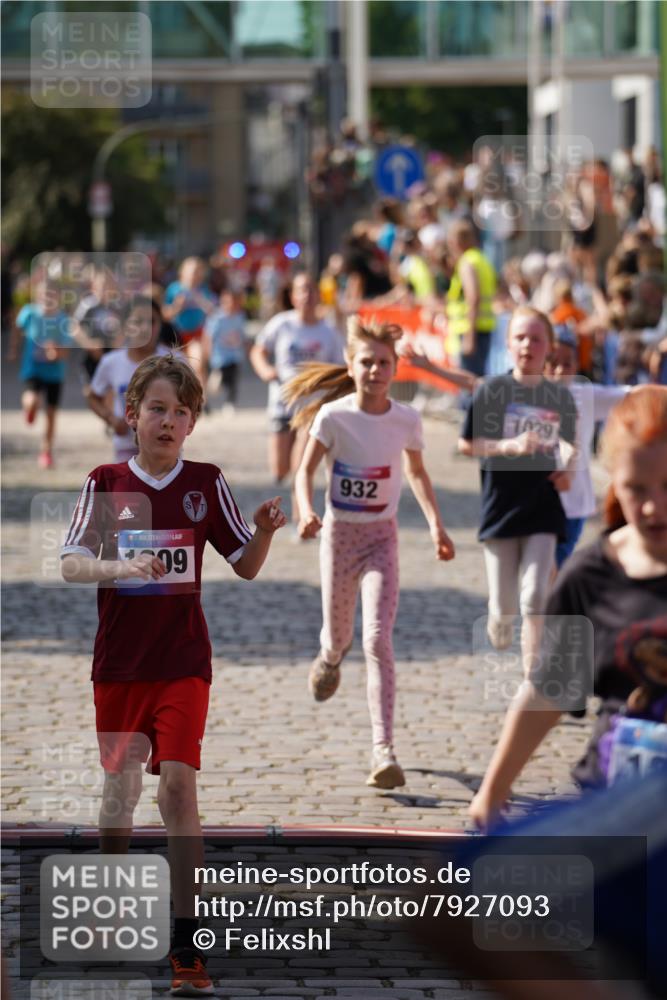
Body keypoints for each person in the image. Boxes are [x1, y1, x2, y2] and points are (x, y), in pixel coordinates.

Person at [60, 354, 287, 993]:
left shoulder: (206, 482)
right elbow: (71, 563)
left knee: (179, 792)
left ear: (192, 423)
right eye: (156, 408)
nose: (168, 421)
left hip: (184, 662)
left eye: (180, 412)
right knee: (120, 796)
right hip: (121, 667)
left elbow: (244, 563)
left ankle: (187, 949)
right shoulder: (105, 482)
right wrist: (120, 570)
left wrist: (265, 531)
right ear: (132, 415)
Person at [469, 386, 667, 830]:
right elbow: (547, 692)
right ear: (613, 480)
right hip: (618, 819)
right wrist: (492, 792)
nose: (655, 507)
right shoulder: (591, 576)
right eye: (637, 488)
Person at [286, 318, 456, 788]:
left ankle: (383, 750)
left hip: (382, 538)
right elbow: (304, 472)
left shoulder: (406, 419)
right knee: (340, 637)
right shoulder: (334, 417)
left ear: (395, 367)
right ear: (351, 365)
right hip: (340, 537)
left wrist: (437, 525)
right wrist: (304, 511)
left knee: (378, 639)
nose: (376, 370)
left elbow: (417, 473)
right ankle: (329, 655)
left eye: (384, 363)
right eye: (367, 362)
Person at [458, 307, 578, 674]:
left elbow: (570, 443)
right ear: (509, 344)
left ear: (549, 347)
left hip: (543, 503)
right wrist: (506, 447)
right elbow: (467, 443)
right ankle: (499, 620)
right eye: (521, 337)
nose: (528, 345)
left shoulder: (559, 397)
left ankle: (533, 678)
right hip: (501, 505)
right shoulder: (494, 389)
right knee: (504, 606)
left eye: (537, 338)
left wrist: (569, 466)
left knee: (536, 595)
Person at [250, 271, 344, 521]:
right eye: (302, 290)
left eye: (312, 289)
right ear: (293, 296)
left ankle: (301, 518)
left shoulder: (329, 331)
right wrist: (265, 369)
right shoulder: (282, 323)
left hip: (311, 407)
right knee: (280, 469)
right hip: (281, 403)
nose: (308, 295)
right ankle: (290, 491)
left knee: (300, 466)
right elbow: (258, 350)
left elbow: (341, 369)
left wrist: (325, 387)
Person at [545, 326, 630, 567]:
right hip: (536, 500)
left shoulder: (586, 395)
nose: (560, 370)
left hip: (572, 502)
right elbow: (478, 386)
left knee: (555, 565)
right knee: (540, 572)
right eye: (552, 362)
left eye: (568, 363)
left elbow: (634, 394)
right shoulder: (525, 393)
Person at [86, 295, 174, 463]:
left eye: (152, 322)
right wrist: (111, 419)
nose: (145, 328)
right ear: (126, 326)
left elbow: (194, 402)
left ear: (160, 325)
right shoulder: (112, 362)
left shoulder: (175, 361)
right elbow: (93, 397)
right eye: (138, 321)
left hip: (165, 448)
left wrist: (175, 425)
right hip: (126, 449)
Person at [12, 279, 73, 468]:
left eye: (52, 294)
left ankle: (46, 451)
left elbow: (65, 351)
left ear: (58, 298)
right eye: (44, 294)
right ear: (37, 295)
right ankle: (29, 409)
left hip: (55, 374)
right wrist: (13, 349)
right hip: (33, 369)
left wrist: (56, 353)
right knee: (32, 400)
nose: (48, 298)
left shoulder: (63, 320)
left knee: (51, 414)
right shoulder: (29, 313)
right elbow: (17, 329)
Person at [445, 219, 497, 376]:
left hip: (471, 329)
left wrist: (469, 336)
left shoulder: (467, 262)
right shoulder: (481, 259)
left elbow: (473, 297)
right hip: (482, 328)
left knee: (468, 381)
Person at [163, 257, 216, 381]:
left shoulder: (203, 290)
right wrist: (177, 306)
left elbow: (212, 311)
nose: (195, 275)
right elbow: (165, 315)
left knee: (197, 365)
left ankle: (202, 397)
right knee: (178, 370)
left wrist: (200, 299)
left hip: (196, 335)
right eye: (192, 271)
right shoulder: (174, 289)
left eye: (198, 271)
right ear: (183, 272)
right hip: (177, 335)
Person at [73, 266, 124, 383]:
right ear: (94, 286)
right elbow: (75, 327)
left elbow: (123, 328)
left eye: (109, 284)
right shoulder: (88, 305)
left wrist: (118, 344)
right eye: (102, 284)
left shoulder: (117, 306)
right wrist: (88, 343)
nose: (105, 288)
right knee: (91, 389)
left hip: (111, 352)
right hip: (92, 354)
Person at [202, 289, 248, 413]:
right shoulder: (217, 318)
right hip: (220, 356)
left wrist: (247, 348)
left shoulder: (240, 317)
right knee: (221, 378)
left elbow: (243, 336)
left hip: (235, 355)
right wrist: (208, 352)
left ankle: (230, 402)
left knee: (233, 380)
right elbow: (209, 336)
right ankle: (213, 392)